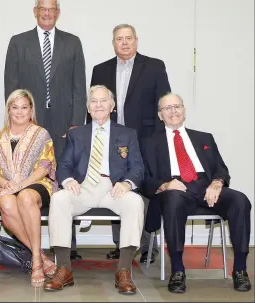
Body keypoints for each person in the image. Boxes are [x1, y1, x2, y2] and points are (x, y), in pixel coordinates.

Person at [141, 93, 252, 293]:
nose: (173, 111)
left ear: (184, 111)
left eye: (177, 106)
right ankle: (177, 270)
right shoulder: (148, 142)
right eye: (167, 108)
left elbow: (221, 168)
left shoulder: (204, 137)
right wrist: (165, 185)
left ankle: (240, 270)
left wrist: (217, 183)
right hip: (176, 190)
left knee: (240, 200)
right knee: (173, 200)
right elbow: (144, 180)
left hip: (205, 187)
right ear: (160, 115)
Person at [4, 0, 86, 260]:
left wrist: (76, 123)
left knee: (66, 178)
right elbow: (12, 86)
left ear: (58, 12)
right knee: (30, 178)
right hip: (30, 123)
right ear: (35, 11)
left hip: (65, 124)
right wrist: (18, 121)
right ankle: (30, 243)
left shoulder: (72, 43)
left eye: (52, 9)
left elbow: (78, 87)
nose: (47, 13)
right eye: (43, 9)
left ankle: (67, 245)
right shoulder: (18, 42)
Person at [45, 85, 145, 294]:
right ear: (88, 108)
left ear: (112, 106)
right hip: (83, 187)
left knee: (135, 202)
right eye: (93, 101)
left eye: (103, 101)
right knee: (59, 199)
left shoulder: (127, 133)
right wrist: (69, 180)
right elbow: (63, 166)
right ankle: (64, 268)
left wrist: (127, 183)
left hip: (114, 188)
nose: (98, 105)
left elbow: (137, 167)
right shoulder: (77, 134)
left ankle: (124, 270)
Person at [90, 23, 171, 262]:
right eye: (119, 39)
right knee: (115, 186)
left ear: (136, 40)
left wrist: (161, 139)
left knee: (143, 191)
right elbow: (94, 106)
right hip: (110, 140)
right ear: (113, 43)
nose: (124, 43)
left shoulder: (154, 66)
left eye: (128, 38)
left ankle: (147, 246)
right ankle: (122, 244)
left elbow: (163, 103)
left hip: (145, 139)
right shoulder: (100, 70)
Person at [0, 89, 57, 288]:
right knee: (6, 202)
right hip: (6, 186)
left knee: (24, 197)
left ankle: (35, 263)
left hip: (36, 185)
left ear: (31, 110)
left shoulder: (41, 134)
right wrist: (5, 184)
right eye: (15, 107)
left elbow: (45, 166)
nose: (19, 112)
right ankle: (40, 257)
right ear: (8, 110)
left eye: (24, 107)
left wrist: (21, 184)